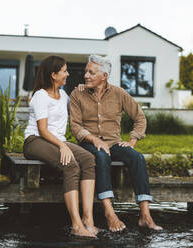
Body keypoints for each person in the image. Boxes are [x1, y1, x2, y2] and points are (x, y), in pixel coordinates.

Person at [69, 54, 162, 232]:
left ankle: (145, 215)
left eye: (91, 72)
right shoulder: (77, 93)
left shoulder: (119, 93)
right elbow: (75, 126)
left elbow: (140, 118)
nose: (86, 75)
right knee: (101, 156)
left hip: (113, 142)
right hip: (88, 143)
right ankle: (109, 213)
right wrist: (94, 139)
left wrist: (132, 140)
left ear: (104, 76)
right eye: (86, 72)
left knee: (137, 158)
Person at [23, 56, 97, 238]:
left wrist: (82, 91)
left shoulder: (63, 95)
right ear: (53, 75)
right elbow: (42, 129)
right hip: (35, 141)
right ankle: (76, 225)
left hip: (56, 141)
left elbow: (81, 108)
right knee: (71, 165)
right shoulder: (40, 95)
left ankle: (88, 219)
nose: (67, 74)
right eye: (64, 71)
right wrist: (62, 146)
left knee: (88, 159)